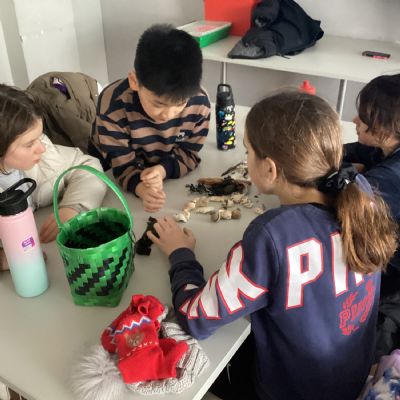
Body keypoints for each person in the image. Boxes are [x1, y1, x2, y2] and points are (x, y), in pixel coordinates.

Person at [147, 91, 398, 400]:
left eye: (248, 151)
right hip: (349, 376)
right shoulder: (360, 191)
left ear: (270, 169)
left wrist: (180, 253)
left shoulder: (272, 236)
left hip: (291, 390)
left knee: (201, 362)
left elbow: (195, 317)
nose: (246, 158)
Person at [88, 24, 211, 213]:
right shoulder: (112, 106)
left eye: (180, 104)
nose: (168, 114)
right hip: (110, 165)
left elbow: (189, 153)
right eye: (158, 104)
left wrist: (162, 170)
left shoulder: (199, 103)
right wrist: (140, 188)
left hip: (160, 161)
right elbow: (120, 165)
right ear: (134, 81)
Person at [0, 84, 107, 269]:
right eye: (29, 144)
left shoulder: (43, 153)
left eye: (40, 137)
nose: (41, 148)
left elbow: (87, 166)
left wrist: (72, 208)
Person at [343, 74, 400, 358]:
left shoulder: (389, 177)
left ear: (387, 130)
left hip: (392, 282)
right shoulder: (385, 147)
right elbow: (351, 152)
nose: (354, 120)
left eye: (364, 118)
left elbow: (342, 207)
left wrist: (349, 176)